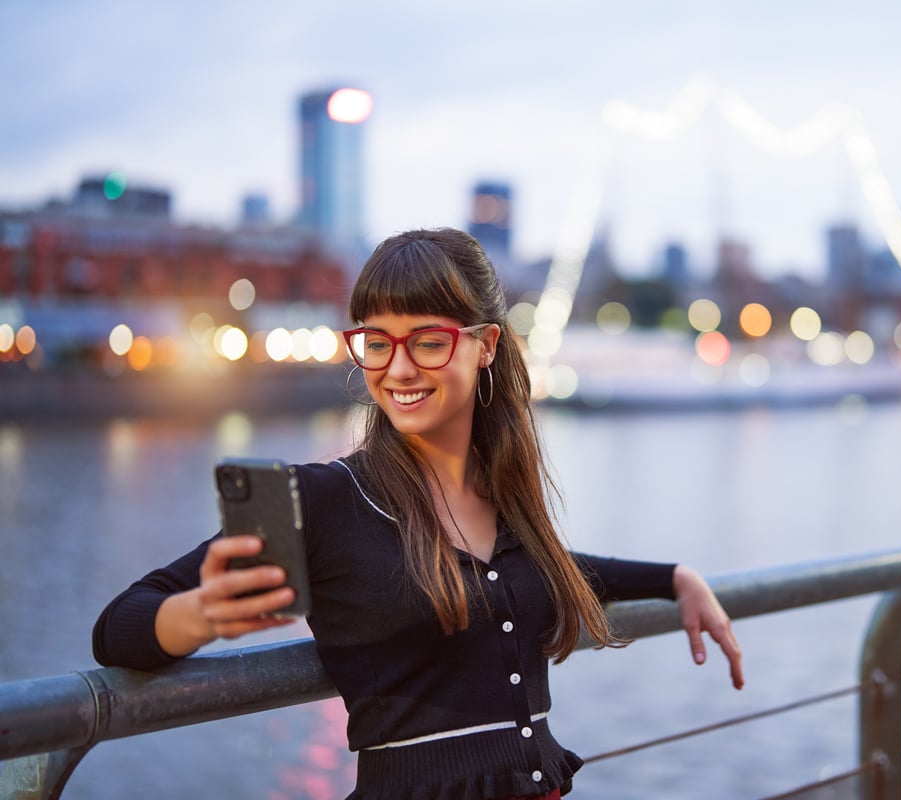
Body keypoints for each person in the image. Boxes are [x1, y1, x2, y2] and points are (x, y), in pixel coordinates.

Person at [93, 227, 744, 800]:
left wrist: (672, 577)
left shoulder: (501, 494)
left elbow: (545, 571)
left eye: (428, 342)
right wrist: (203, 614)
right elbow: (119, 626)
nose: (398, 368)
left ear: (486, 345)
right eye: (377, 342)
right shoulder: (329, 499)